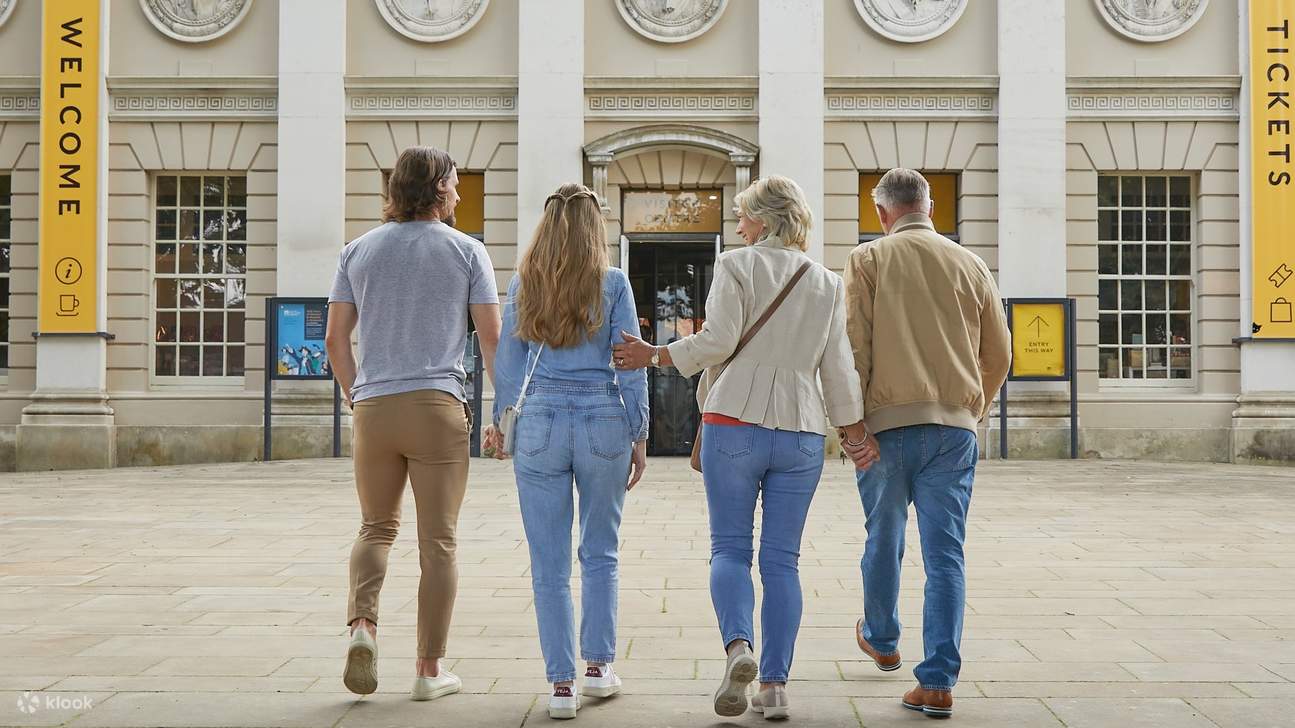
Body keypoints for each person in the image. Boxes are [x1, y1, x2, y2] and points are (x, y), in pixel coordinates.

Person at [615, 175, 877, 721]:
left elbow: (717, 342)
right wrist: (853, 432)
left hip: (733, 418)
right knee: (783, 561)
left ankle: (739, 648)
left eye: (742, 216)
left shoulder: (737, 265)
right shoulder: (826, 282)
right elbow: (839, 368)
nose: (737, 225)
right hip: (802, 428)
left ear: (763, 220)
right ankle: (776, 687)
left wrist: (656, 355)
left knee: (730, 548)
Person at [325, 145, 501, 702]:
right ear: (438, 189)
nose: (460, 193)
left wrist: (359, 398)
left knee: (376, 527)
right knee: (439, 543)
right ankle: (429, 670)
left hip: (375, 408)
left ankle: (363, 629)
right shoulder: (468, 252)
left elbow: (334, 341)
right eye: (454, 184)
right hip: (437, 407)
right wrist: (501, 411)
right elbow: (493, 342)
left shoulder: (357, 251)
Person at [841, 168, 1011, 719]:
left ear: (882, 214)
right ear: (930, 208)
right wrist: (972, 411)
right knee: (946, 556)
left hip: (885, 427)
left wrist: (851, 427)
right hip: (954, 428)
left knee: (883, 537)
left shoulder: (867, 260)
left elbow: (854, 350)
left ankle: (884, 638)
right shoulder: (972, 264)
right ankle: (936, 682)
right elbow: (1000, 355)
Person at [487, 183, 650, 720]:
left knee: (548, 563)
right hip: (602, 417)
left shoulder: (523, 283)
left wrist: (498, 421)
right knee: (600, 552)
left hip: (539, 421)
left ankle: (561, 685)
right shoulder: (614, 282)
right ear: (594, 228)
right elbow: (629, 358)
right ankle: (598, 669)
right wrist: (638, 431)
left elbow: (509, 364)